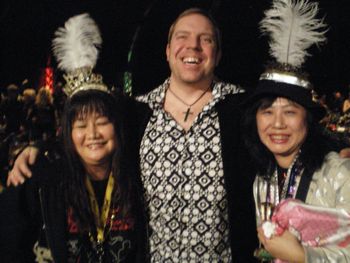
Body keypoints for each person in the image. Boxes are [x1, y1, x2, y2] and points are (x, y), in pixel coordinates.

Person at [8, 8, 258, 262]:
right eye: (183, 37)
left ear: (218, 54)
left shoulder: (243, 111)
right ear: (168, 50)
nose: (193, 45)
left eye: (206, 39)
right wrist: (37, 149)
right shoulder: (136, 111)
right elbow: (92, 139)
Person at [0, 13, 147, 262]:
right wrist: (38, 148)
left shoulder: (138, 172)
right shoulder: (41, 176)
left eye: (102, 122)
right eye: (81, 125)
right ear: (67, 132)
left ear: (118, 127)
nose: (92, 134)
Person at [243, 0, 350, 262]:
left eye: (290, 112)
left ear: (308, 119)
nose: (277, 124)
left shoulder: (338, 173)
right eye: (267, 111)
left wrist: (305, 257)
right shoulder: (262, 177)